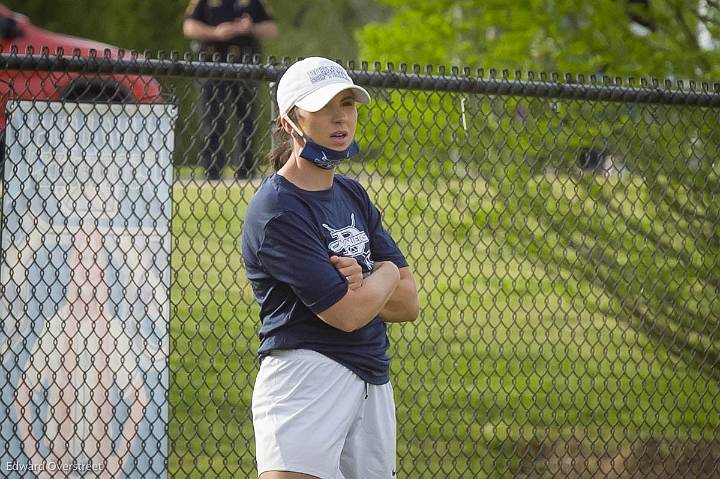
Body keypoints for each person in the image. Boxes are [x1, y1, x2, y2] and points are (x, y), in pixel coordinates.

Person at [241, 57, 420, 478]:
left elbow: (409, 303)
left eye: (348, 104)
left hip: (372, 378)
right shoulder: (277, 210)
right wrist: (387, 273)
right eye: (323, 108)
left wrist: (372, 281)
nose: (340, 118)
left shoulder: (351, 194)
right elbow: (347, 314)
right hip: (306, 378)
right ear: (289, 122)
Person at [183, 0, 277, 180]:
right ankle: (212, 170)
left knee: (247, 119)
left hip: (246, 63)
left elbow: (271, 28)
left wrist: (249, 28)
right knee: (212, 119)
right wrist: (216, 33)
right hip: (212, 64)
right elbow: (189, 26)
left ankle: (246, 169)